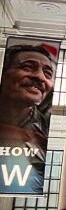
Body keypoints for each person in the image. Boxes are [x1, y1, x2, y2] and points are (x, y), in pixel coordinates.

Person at [0, 42, 58, 192]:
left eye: (47, 73)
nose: (40, 77)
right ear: (4, 73)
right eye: (27, 67)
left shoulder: (46, 130)